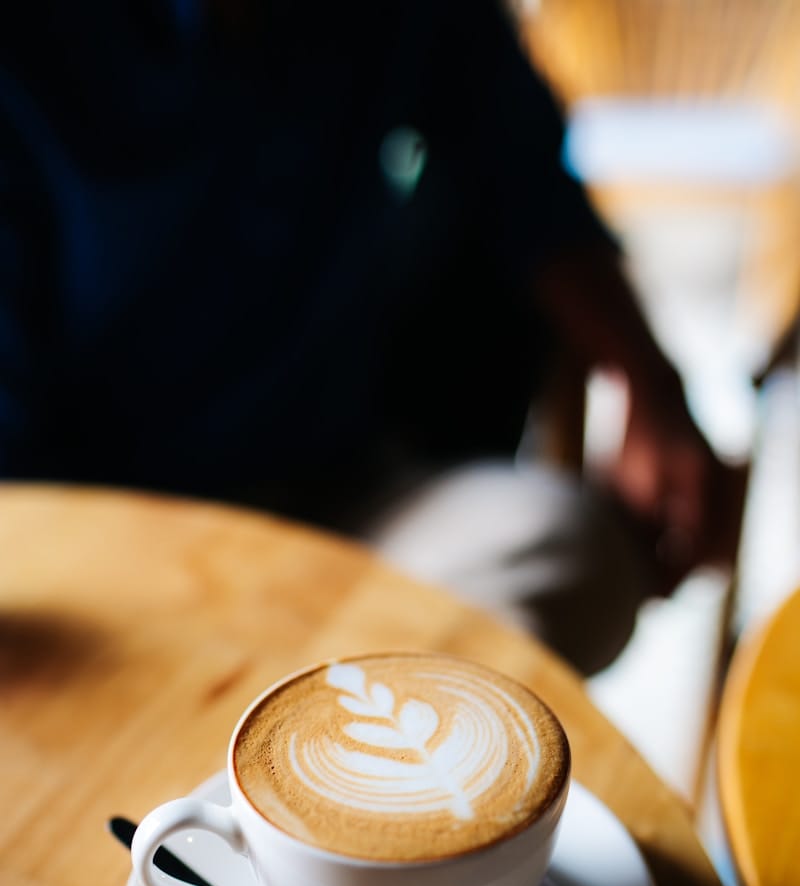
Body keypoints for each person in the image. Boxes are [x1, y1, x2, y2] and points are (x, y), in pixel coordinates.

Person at [0, 1, 734, 672]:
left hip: (340, 506)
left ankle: (332, 763)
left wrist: (649, 383)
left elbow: (525, 174)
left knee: (567, 551)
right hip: (87, 551)